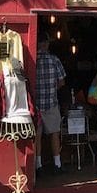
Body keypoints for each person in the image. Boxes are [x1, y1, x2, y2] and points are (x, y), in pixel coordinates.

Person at [35, 31, 67, 175]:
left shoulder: (32, 60)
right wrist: (53, 87)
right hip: (51, 102)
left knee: (37, 135)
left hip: (35, 104)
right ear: (47, 44)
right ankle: (57, 164)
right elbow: (62, 82)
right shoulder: (54, 60)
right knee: (55, 133)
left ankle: (38, 165)